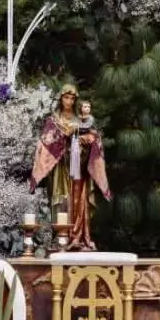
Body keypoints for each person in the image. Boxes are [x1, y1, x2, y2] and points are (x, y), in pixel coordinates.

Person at [30, 85, 111, 250]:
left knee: (78, 198)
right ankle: (61, 237)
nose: (69, 101)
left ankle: (79, 235)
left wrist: (88, 139)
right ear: (60, 98)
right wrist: (64, 135)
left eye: (72, 98)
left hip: (78, 166)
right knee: (61, 199)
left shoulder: (80, 118)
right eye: (66, 97)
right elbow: (46, 141)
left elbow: (93, 136)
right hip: (60, 167)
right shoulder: (53, 120)